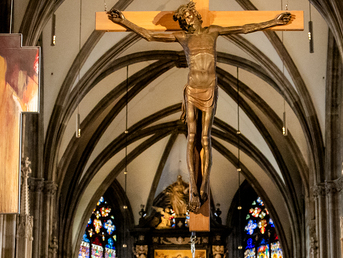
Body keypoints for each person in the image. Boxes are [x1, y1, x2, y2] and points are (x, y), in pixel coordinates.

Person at [108, 4, 292, 211]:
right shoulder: (184, 37)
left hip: (210, 88)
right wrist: (124, 22)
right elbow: (150, 36)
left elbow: (244, 28)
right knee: (192, 136)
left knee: (206, 138)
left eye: (189, 15)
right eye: (184, 18)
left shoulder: (213, 31)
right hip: (193, 89)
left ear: (196, 15)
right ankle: (194, 189)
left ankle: (203, 186)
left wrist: (273, 22)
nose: (187, 20)